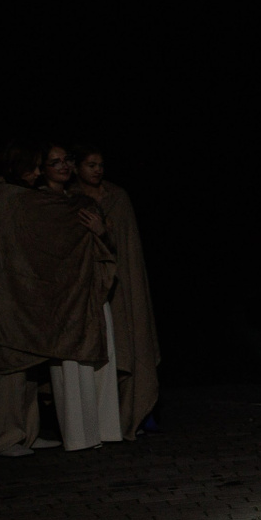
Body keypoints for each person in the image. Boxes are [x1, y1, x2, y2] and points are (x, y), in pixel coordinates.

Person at [0, 142, 114, 455]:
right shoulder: (7, 196)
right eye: (34, 167)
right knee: (7, 366)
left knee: (27, 364)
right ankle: (3, 438)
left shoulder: (24, 196)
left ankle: (26, 433)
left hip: (19, 294)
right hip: (3, 294)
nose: (38, 173)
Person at [70, 145, 159, 439]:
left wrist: (105, 232)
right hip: (86, 283)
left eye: (101, 165)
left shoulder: (117, 197)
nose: (98, 170)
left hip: (120, 281)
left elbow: (127, 245)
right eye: (91, 165)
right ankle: (92, 423)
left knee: (127, 342)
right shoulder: (69, 197)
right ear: (77, 167)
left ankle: (131, 414)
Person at [37, 143, 122, 450]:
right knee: (71, 362)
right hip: (62, 292)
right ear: (43, 168)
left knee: (102, 353)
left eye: (67, 160)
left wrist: (101, 231)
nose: (63, 166)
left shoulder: (81, 201)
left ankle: (106, 428)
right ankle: (78, 434)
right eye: (55, 161)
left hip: (91, 286)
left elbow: (109, 247)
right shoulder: (37, 202)